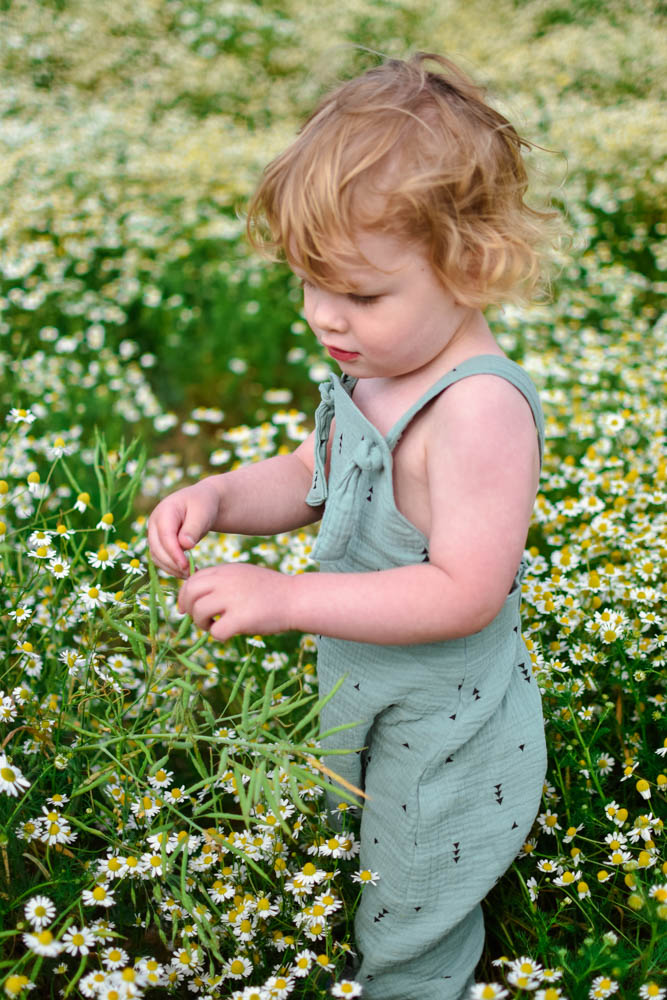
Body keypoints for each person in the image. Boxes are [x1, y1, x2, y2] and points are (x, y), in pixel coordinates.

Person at [148, 52, 556, 1000]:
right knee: (349, 860)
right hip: (368, 691)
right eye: (307, 283)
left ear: (474, 263)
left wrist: (287, 596)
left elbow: (465, 589)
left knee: (413, 903)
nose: (324, 317)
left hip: (446, 726)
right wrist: (217, 498)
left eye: (362, 294)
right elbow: (310, 475)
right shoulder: (374, 368)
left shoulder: (477, 411)